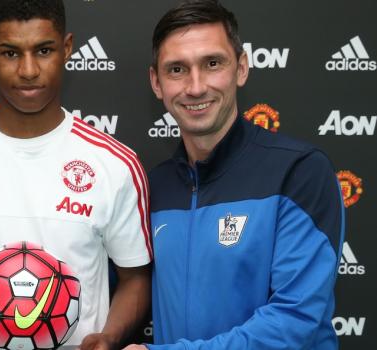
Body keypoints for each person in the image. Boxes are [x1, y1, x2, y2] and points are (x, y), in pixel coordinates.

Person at [0, 1, 152, 349]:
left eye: (44, 50)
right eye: (10, 53)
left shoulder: (115, 164)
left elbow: (135, 278)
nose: (28, 70)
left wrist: (109, 336)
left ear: (67, 48)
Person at [125, 1, 344, 349]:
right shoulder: (152, 187)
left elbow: (294, 321)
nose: (195, 87)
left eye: (212, 64)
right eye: (177, 70)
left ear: (241, 68)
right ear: (156, 82)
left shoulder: (299, 171)